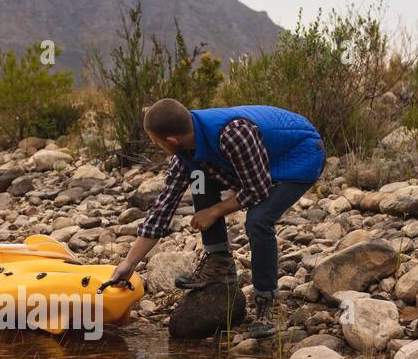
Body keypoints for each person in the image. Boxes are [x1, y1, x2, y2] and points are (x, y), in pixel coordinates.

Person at [107, 99, 325, 337]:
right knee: (199, 176)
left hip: (301, 153)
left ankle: (265, 303)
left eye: (157, 142)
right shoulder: (185, 155)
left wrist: (215, 211)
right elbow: (162, 210)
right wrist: (129, 263)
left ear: (171, 140)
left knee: (258, 220)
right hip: (259, 160)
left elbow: (258, 189)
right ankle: (219, 261)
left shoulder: (232, 134)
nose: (158, 146)